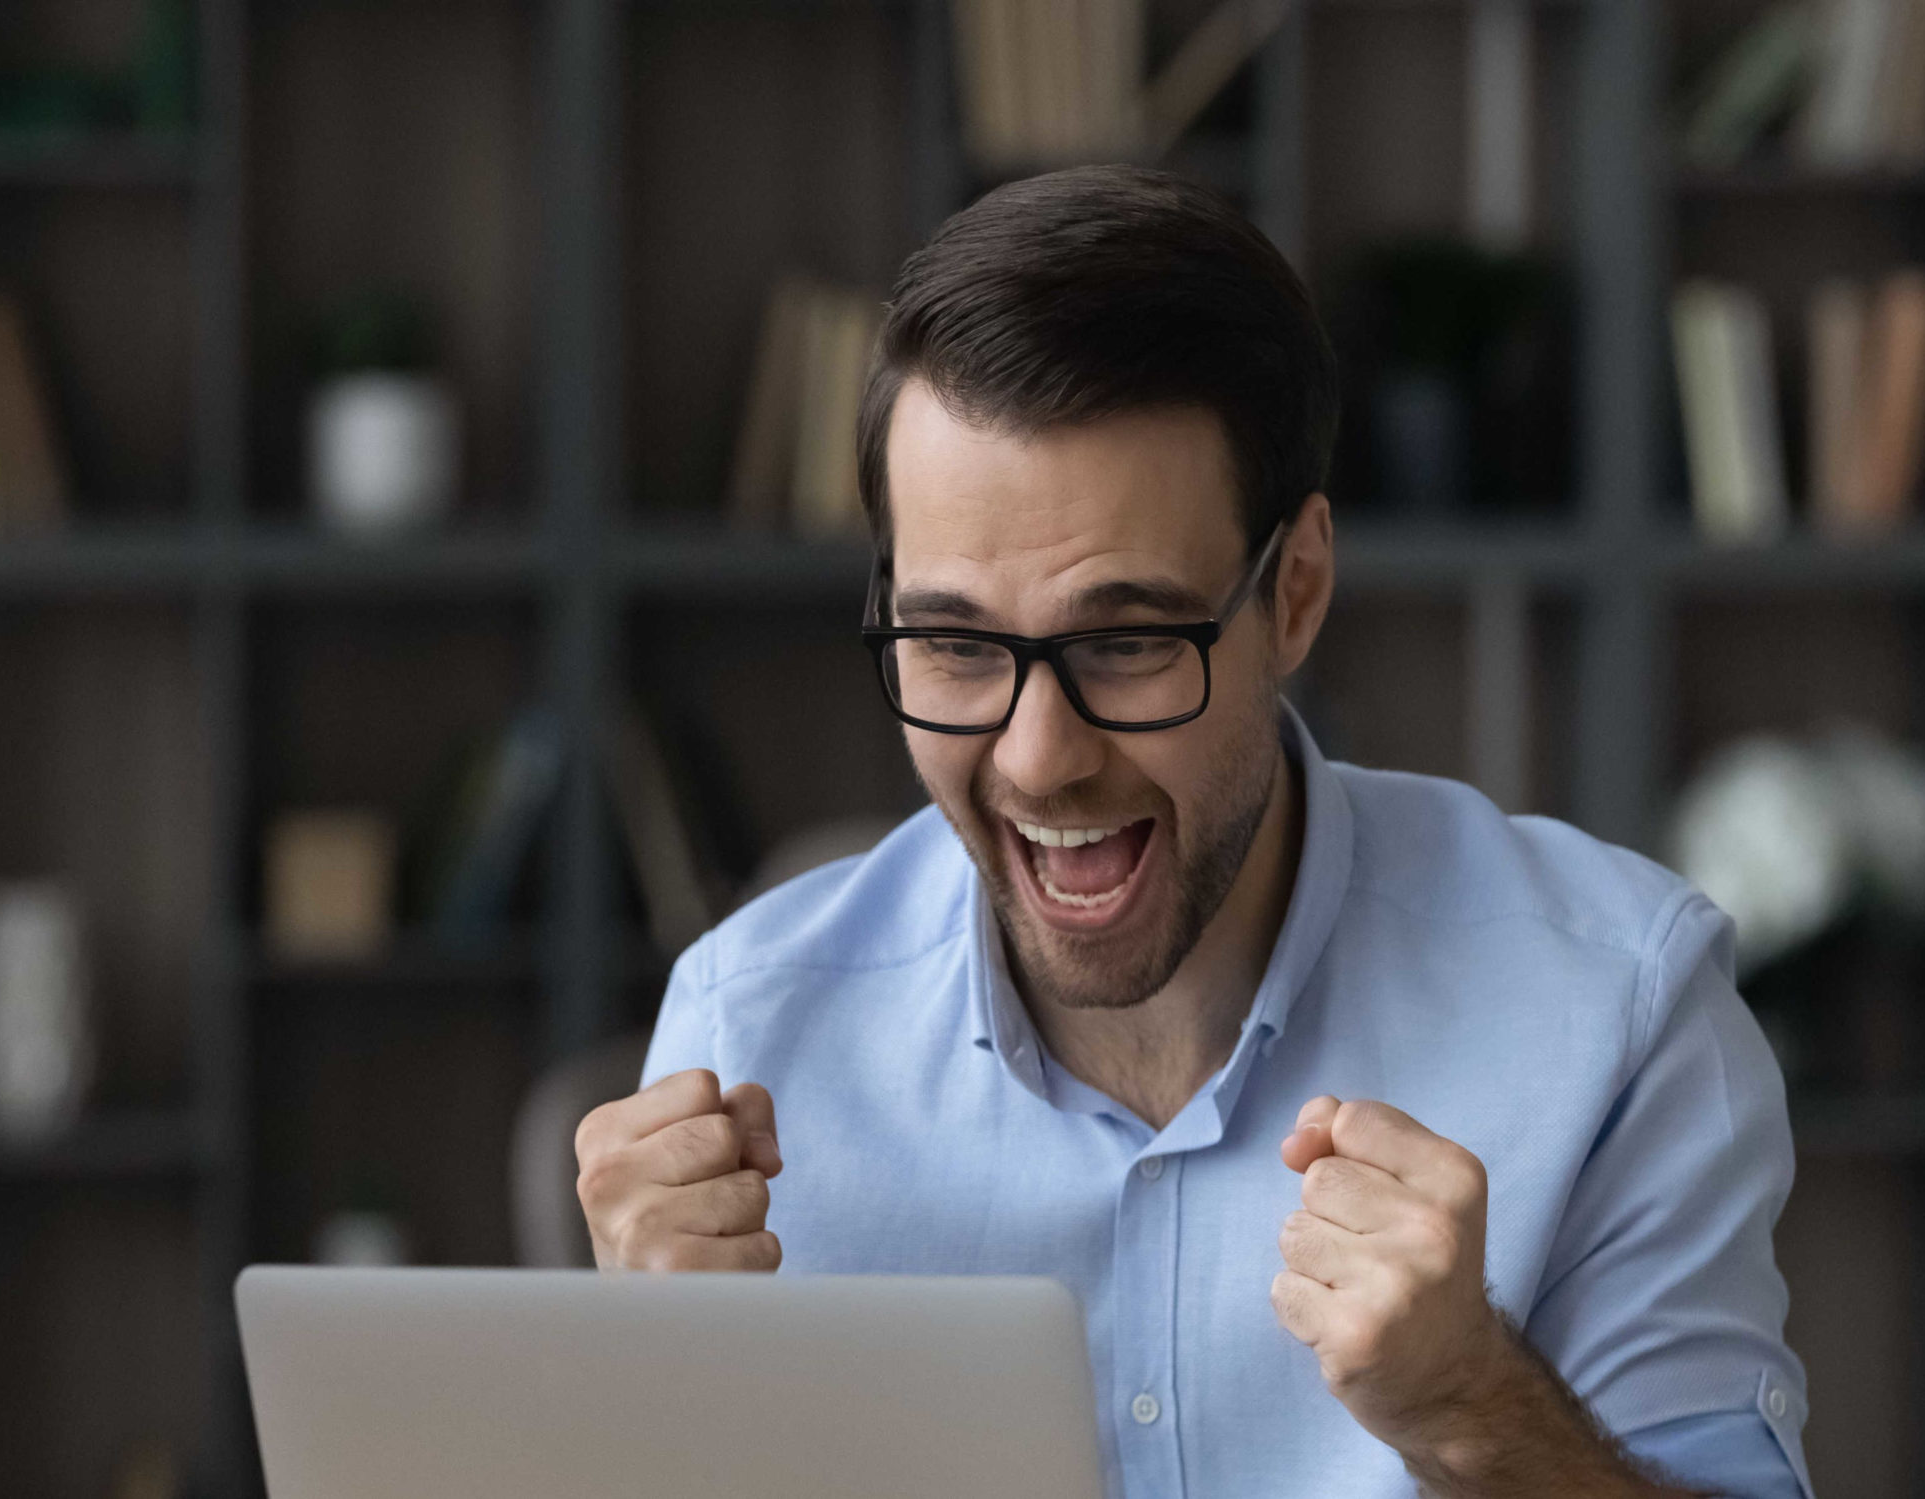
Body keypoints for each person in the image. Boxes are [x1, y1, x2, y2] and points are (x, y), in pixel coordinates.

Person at [573, 165, 1812, 1499]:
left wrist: (1473, 1413)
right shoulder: (745, 1028)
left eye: (1126, 641)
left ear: (1296, 592)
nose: (1038, 757)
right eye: (953, 644)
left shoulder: (1617, 1006)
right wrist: (648, 1410)